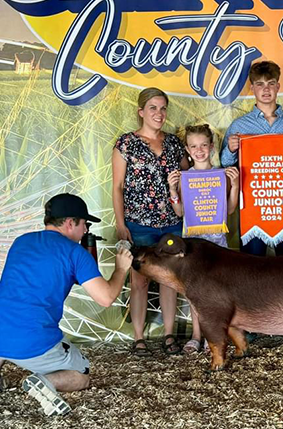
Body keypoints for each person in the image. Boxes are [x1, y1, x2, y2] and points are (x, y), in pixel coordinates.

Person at [0, 193, 134, 416]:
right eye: (84, 224)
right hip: (32, 342)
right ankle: (44, 381)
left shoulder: (21, 241)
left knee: (10, 317)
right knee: (82, 374)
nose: (85, 230)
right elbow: (105, 298)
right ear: (69, 223)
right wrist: (121, 268)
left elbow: (50, 273)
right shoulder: (75, 253)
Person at [111, 87, 189, 357]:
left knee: (169, 280)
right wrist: (121, 223)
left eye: (163, 108)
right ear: (141, 111)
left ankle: (169, 335)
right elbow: (118, 186)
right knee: (139, 281)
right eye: (153, 108)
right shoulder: (126, 144)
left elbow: (189, 182)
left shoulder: (174, 144)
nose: (159, 113)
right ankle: (139, 338)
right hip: (139, 223)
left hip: (171, 222)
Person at [220, 60, 283, 256]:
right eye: (260, 84)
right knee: (253, 267)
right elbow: (225, 164)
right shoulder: (240, 126)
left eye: (271, 83)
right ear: (252, 88)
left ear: (278, 87)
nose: (266, 89)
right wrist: (231, 149)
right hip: (254, 208)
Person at [166, 124, 239, 353]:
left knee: (217, 291)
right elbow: (179, 213)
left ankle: (212, 336)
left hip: (216, 243)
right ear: (188, 149)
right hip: (193, 243)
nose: (199, 150)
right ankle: (196, 335)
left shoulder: (221, 174)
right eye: (194, 146)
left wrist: (235, 185)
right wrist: (173, 190)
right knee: (194, 292)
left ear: (212, 146)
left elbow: (229, 210)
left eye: (203, 145)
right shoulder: (184, 178)